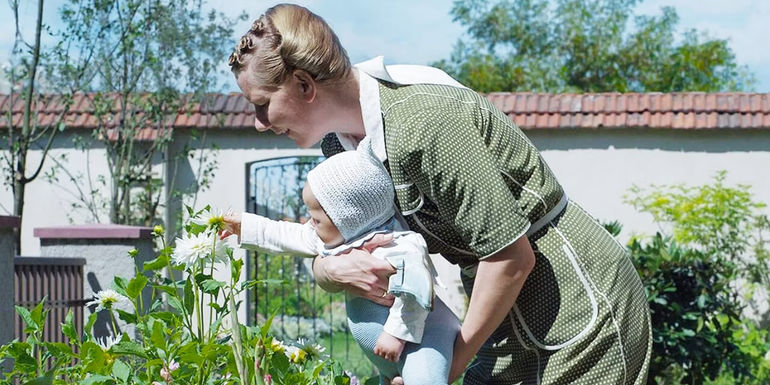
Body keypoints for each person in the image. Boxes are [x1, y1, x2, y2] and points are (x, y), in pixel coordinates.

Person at [228, 3, 652, 384]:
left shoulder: (424, 121)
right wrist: (329, 273)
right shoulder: (337, 147)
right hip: (499, 309)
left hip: (573, 300)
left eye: (262, 104)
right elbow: (336, 242)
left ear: (304, 85)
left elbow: (510, 257)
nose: (259, 123)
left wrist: (441, 368)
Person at [222, 139, 460, 385]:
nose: (309, 223)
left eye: (316, 218)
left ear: (348, 218)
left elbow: (417, 288)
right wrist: (245, 226)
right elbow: (287, 235)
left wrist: (396, 334)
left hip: (424, 338)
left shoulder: (397, 244)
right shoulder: (337, 238)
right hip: (393, 355)